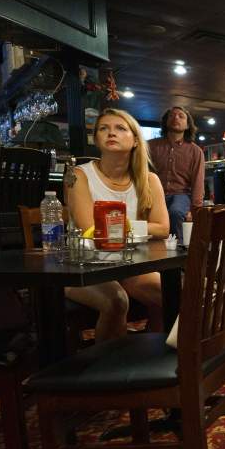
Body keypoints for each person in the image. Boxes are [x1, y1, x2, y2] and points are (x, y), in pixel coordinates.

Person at [66, 108, 169, 338]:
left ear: (134, 140)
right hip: (85, 268)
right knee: (117, 301)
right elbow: (91, 230)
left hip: (131, 264)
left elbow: (163, 228)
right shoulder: (78, 175)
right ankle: (108, 369)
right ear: (96, 139)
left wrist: (122, 226)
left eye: (120, 128)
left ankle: (161, 358)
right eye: (103, 128)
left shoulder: (149, 179)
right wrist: (138, 227)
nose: (111, 133)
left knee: (172, 292)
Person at [148, 105, 205, 237]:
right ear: (165, 122)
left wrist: (195, 210)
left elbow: (198, 182)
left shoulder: (195, 151)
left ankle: (180, 251)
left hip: (180, 194)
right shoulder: (150, 146)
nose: (176, 118)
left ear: (187, 125)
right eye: (172, 115)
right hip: (154, 193)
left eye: (181, 116)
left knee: (176, 212)